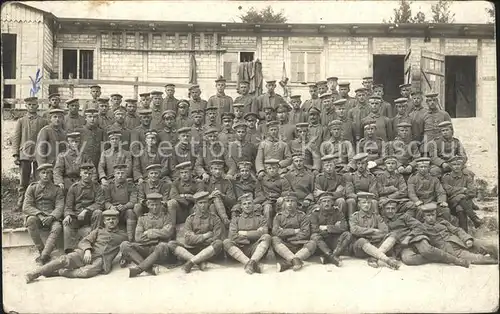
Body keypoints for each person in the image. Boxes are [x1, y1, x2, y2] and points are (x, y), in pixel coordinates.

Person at [25, 208, 127, 283]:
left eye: (113, 219)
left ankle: (61, 272)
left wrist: (124, 258)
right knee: (63, 260)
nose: (111, 221)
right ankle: (34, 274)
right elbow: (84, 241)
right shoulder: (98, 230)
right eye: (108, 219)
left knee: (87, 272)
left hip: (102, 260)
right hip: (86, 253)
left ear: (117, 221)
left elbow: (126, 247)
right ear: (104, 222)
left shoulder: (123, 235)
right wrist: (87, 250)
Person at [379, 199, 469, 268]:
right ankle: (439, 257)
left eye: (393, 208)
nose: (390, 211)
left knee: (427, 250)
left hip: (416, 238)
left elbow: (419, 226)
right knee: (408, 259)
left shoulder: (404, 217)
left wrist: (408, 237)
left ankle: (456, 260)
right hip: (403, 246)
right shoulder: (381, 221)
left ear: (396, 209)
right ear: (383, 210)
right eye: (388, 208)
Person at [417, 203, 498, 264]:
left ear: (436, 215)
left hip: (461, 241)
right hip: (453, 251)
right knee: (481, 259)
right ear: (424, 217)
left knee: (490, 245)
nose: (431, 218)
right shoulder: (421, 228)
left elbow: (457, 230)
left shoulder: (442, 222)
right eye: (428, 215)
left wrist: (467, 238)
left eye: (433, 215)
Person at [120, 193, 174, 277]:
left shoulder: (166, 217)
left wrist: (150, 233)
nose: (155, 207)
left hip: (161, 251)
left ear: (161, 205)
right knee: (124, 245)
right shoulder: (142, 218)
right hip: (145, 249)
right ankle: (149, 268)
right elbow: (138, 237)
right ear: (148, 205)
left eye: (157, 205)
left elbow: (168, 233)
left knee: (162, 245)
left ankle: (139, 269)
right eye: (152, 205)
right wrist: (159, 235)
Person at [168, 191, 223, 273]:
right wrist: (205, 236)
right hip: (192, 249)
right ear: (196, 204)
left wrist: (195, 238)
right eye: (200, 203)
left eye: (205, 202)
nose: (203, 205)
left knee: (218, 243)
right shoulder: (190, 219)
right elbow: (188, 240)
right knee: (171, 244)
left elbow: (216, 237)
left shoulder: (215, 218)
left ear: (208, 203)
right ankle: (199, 262)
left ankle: (191, 262)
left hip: (208, 249)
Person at [23, 163, 64, 265]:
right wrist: (39, 215)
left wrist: (51, 216)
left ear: (51, 175)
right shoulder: (32, 187)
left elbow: (60, 206)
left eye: (48, 173)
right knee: (30, 220)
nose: (46, 175)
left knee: (57, 227)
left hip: (52, 217)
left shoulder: (57, 189)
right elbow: (26, 206)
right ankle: (41, 249)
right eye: (43, 173)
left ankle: (44, 256)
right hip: (37, 217)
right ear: (39, 174)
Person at [13, 97, 48, 210]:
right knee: (24, 180)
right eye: (29, 105)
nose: (32, 107)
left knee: (39, 179)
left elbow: (46, 139)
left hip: (39, 155)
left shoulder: (43, 121)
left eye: (34, 104)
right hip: (25, 154)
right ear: (26, 106)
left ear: (37, 106)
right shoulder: (21, 121)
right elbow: (16, 138)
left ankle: (38, 202)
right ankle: (21, 201)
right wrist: (15, 154)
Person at [349, 192, 400, 269]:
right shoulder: (354, 217)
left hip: (376, 245)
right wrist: (373, 230)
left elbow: (384, 230)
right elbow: (354, 230)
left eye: (369, 202)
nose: (366, 205)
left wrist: (364, 233)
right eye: (364, 202)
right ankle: (387, 260)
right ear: (359, 204)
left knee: (393, 234)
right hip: (361, 249)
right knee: (361, 240)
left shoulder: (376, 216)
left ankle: (374, 258)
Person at [223, 193, 271, 274]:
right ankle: (250, 263)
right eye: (244, 204)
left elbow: (264, 233)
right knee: (226, 242)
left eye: (249, 203)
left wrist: (244, 233)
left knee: (267, 237)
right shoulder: (235, 219)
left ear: (253, 205)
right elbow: (232, 236)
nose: (247, 206)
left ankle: (253, 261)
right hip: (239, 249)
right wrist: (255, 233)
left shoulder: (261, 218)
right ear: (241, 206)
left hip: (255, 248)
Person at [63, 163, 105, 253]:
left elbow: (100, 203)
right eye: (85, 173)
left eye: (90, 174)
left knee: (98, 212)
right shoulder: (74, 187)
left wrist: (87, 210)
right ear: (80, 174)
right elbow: (68, 206)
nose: (87, 175)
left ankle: (94, 242)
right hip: (76, 216)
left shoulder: (97, 187)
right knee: (67, 222)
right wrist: (68, 215)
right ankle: (70, 250)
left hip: (90, 216)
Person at [272, 192, 317, 272]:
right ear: (284, 203)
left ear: (296, 203)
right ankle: (295, 260)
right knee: (274, 239)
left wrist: (286, 234)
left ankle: (289, 262)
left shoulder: (302, 216)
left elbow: (305, 232)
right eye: (287, 201)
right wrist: (294, 231)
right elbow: (275, 232)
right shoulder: (278, 216)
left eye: (292, 201)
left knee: (313, 243)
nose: (290, 203)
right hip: (285, 246)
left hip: (299, 245)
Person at [310, 192, 352, 266]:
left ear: (332, 202)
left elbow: (344, 227)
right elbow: (314, 229)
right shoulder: (315, 213)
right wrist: (335, 228)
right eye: (324, 201)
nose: (327, 203)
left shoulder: (338, 212)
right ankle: (331, 256)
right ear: (320, 203)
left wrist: (327, 227)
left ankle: (334, 254)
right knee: (314, 236)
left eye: (329, 201)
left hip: (335, 241)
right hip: (322, 242)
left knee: (347, 234)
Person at [441, 156, 482, 232]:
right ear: (450, 166)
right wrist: (462, 189)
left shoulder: (467, 177)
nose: (456, 167)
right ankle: (474, 218)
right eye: (454, 164)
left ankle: (465, 233)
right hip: (451, 203)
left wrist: (455, 191)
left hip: (465, 202)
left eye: (458, 164)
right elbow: (447, 191)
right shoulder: (446, 177)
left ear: (462, 165)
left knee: (460, 208)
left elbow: (472, 192)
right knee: (461, 196)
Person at [407, 157, 453, 223]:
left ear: (428, 168)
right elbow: (411, 193)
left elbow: (440, 192)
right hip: (420, 202)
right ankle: (421, 229)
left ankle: (446, 228)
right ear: (417, 168)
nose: (423, 169)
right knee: (420, 210)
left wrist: (442, 201)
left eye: (425, 167)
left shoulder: (434, 179)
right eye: (421, 167)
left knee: (445, 210)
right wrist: (417, 201)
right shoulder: (412, 179)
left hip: (432, 202)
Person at [103, 164, 138, 242]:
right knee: (107, 215)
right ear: (114, 174)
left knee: (130, 212)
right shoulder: (109, 185)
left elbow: (133, 200)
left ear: (126, 174)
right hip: (112, 210)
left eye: (122, 173)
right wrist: (110, 207)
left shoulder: (130, 185)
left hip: (124, 210)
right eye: (118, 173)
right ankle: (105, 239)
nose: (120, 175)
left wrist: (125, 206)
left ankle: (130, 239)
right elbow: (105, 201)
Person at [254, 159, 292, 230]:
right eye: (269, 168)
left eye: (274, 168)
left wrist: (282, 197)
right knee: (267, 209)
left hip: (279, 201)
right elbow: (258, 191)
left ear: (277, 169)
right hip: (266, 201)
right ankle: (268, 229)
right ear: (266, 170)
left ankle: (282, 227)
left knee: (284, 208)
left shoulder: (282, 180)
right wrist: (264, 198)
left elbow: (286, 191)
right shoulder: (262, 180)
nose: (272, 170)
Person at [201, 160, 236, 228]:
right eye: (215, 169)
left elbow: (232, 201)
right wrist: (210, 196)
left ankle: (221, 224)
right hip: (206, 209)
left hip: (225, 209)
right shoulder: (206, 182)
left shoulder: (227, 183)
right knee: (213, 204)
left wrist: (222, 195)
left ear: (222, 170)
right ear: (211, 170)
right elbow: (199, 199)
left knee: (216, 200)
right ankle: (225, 221)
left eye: (220, 169)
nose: (217, 171)